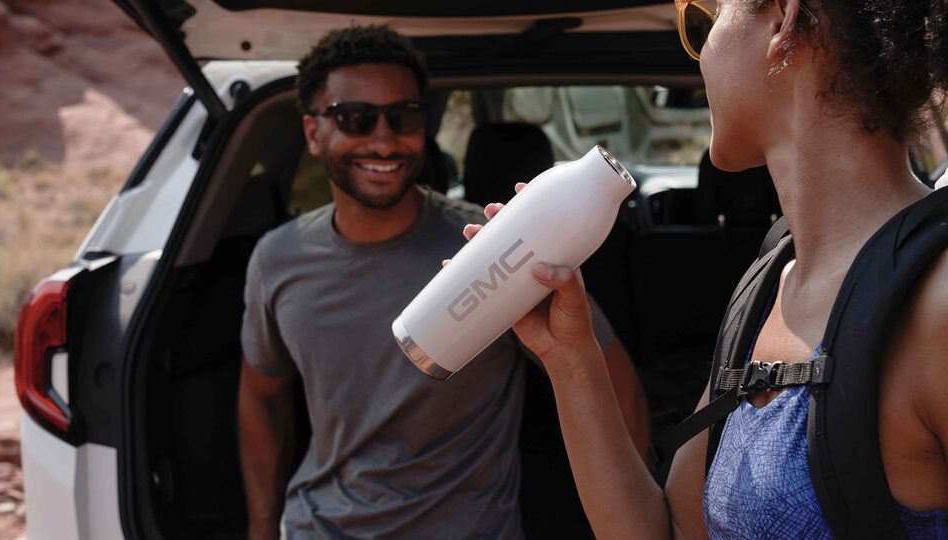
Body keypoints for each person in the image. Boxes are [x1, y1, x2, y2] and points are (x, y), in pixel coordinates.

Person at [467, 0, 948, 537]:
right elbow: (665, 532)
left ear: (783, 20)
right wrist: (569, 354)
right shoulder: (769, 285)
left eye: (708, 17)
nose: (699, 52)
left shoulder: (936, 302)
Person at [236, 25, 649, 540]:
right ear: (314, 133)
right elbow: (262, 397)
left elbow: (618, 392)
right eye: (355, 118)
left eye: (404, 116)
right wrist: (259, 526)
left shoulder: (496, 243)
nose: (384, 139)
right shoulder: (277, 259)